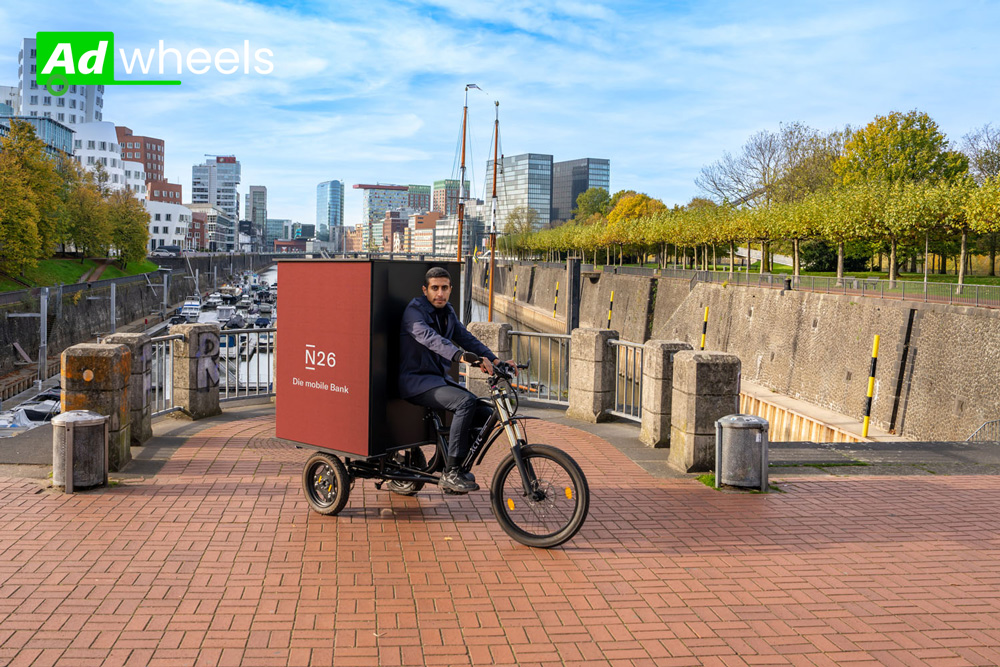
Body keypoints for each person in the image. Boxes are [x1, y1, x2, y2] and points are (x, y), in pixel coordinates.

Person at [399, 267, 504, 494]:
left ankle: (458, 460)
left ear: (450, 289)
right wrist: (459, 356)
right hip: (415, 381)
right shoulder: (414, 311)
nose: (440, 294)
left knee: (486, 414)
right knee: (464, 402)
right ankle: (452, 471)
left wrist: (496, 361)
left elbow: (466, 337)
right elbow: (430, 338)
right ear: (425, 290)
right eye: (435, 288)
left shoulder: (448, 312)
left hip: (436, 380)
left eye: (444, 288)